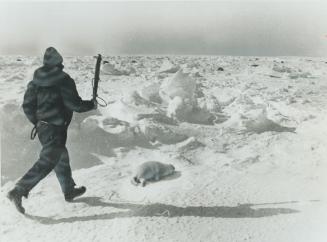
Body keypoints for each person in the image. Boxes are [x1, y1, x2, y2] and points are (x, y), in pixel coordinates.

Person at [7, 47, 97, 214]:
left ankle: (69, 189)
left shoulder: (34, 82)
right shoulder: (63, 79)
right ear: (59, 63)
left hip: (43, 128)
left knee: (60, 156)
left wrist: (39, 122)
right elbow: (74, 104)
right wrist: (91, 105)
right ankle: (19, 190)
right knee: (49, 159)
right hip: (56, 127)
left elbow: (27, 106)